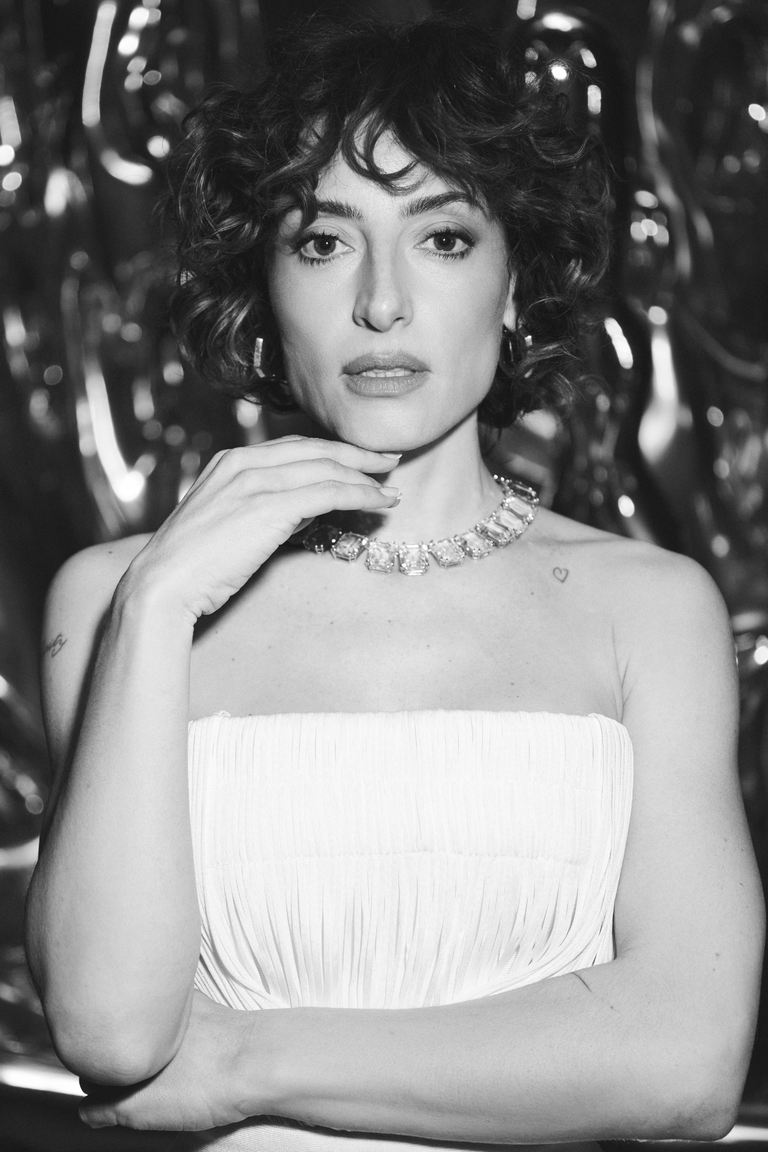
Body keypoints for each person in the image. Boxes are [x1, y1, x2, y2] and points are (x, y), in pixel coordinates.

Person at [25, 16, 763, 1152]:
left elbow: (686, 1065)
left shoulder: (649, 610)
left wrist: (250, 1061)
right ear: (264, 282)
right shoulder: (120, 597)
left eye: (445, 238)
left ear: (514, 283)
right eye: (324, 242)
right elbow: (112, 1031)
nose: (382, 303)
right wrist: (160, 600)